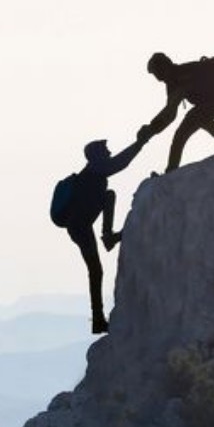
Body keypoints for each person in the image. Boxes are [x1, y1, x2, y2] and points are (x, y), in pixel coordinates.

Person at [53, 125, 152, 334]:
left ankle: (107, 236)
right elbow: (119, 163)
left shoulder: (94, 173)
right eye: (105, 151)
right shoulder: (95, 170)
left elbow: (115, 164)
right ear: (97, 156)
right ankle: (97, 319)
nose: (109, 153)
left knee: (109, 195)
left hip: (83, 223)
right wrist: (140, 143)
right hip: (79, 227)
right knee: (96, 270)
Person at [144, 52, 214, 172]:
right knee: (180, 134)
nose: (158, 78)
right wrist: (151, 129)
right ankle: (171, 170)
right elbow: (170, 112)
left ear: (163, 67)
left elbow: (170, 110)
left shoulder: (185, 71)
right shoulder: (172, 84)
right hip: (202, 107)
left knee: (194, 116)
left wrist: (151, 129)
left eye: (156, 73)